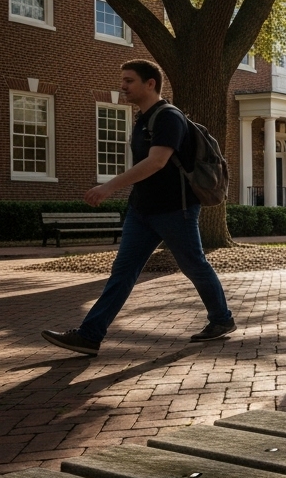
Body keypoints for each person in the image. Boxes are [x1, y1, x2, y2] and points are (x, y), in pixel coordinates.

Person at [42, 60, 234, 356]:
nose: (123, 86)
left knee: (193, 265)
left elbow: (156, 162)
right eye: (123, 80)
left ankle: (222, 319)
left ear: (150, 84)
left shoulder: (169, 117)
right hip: (142, 211)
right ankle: (90, 335)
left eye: (129, 81)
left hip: (175, 210)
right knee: (123, 272)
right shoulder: (142, 120)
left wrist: (109, 186)